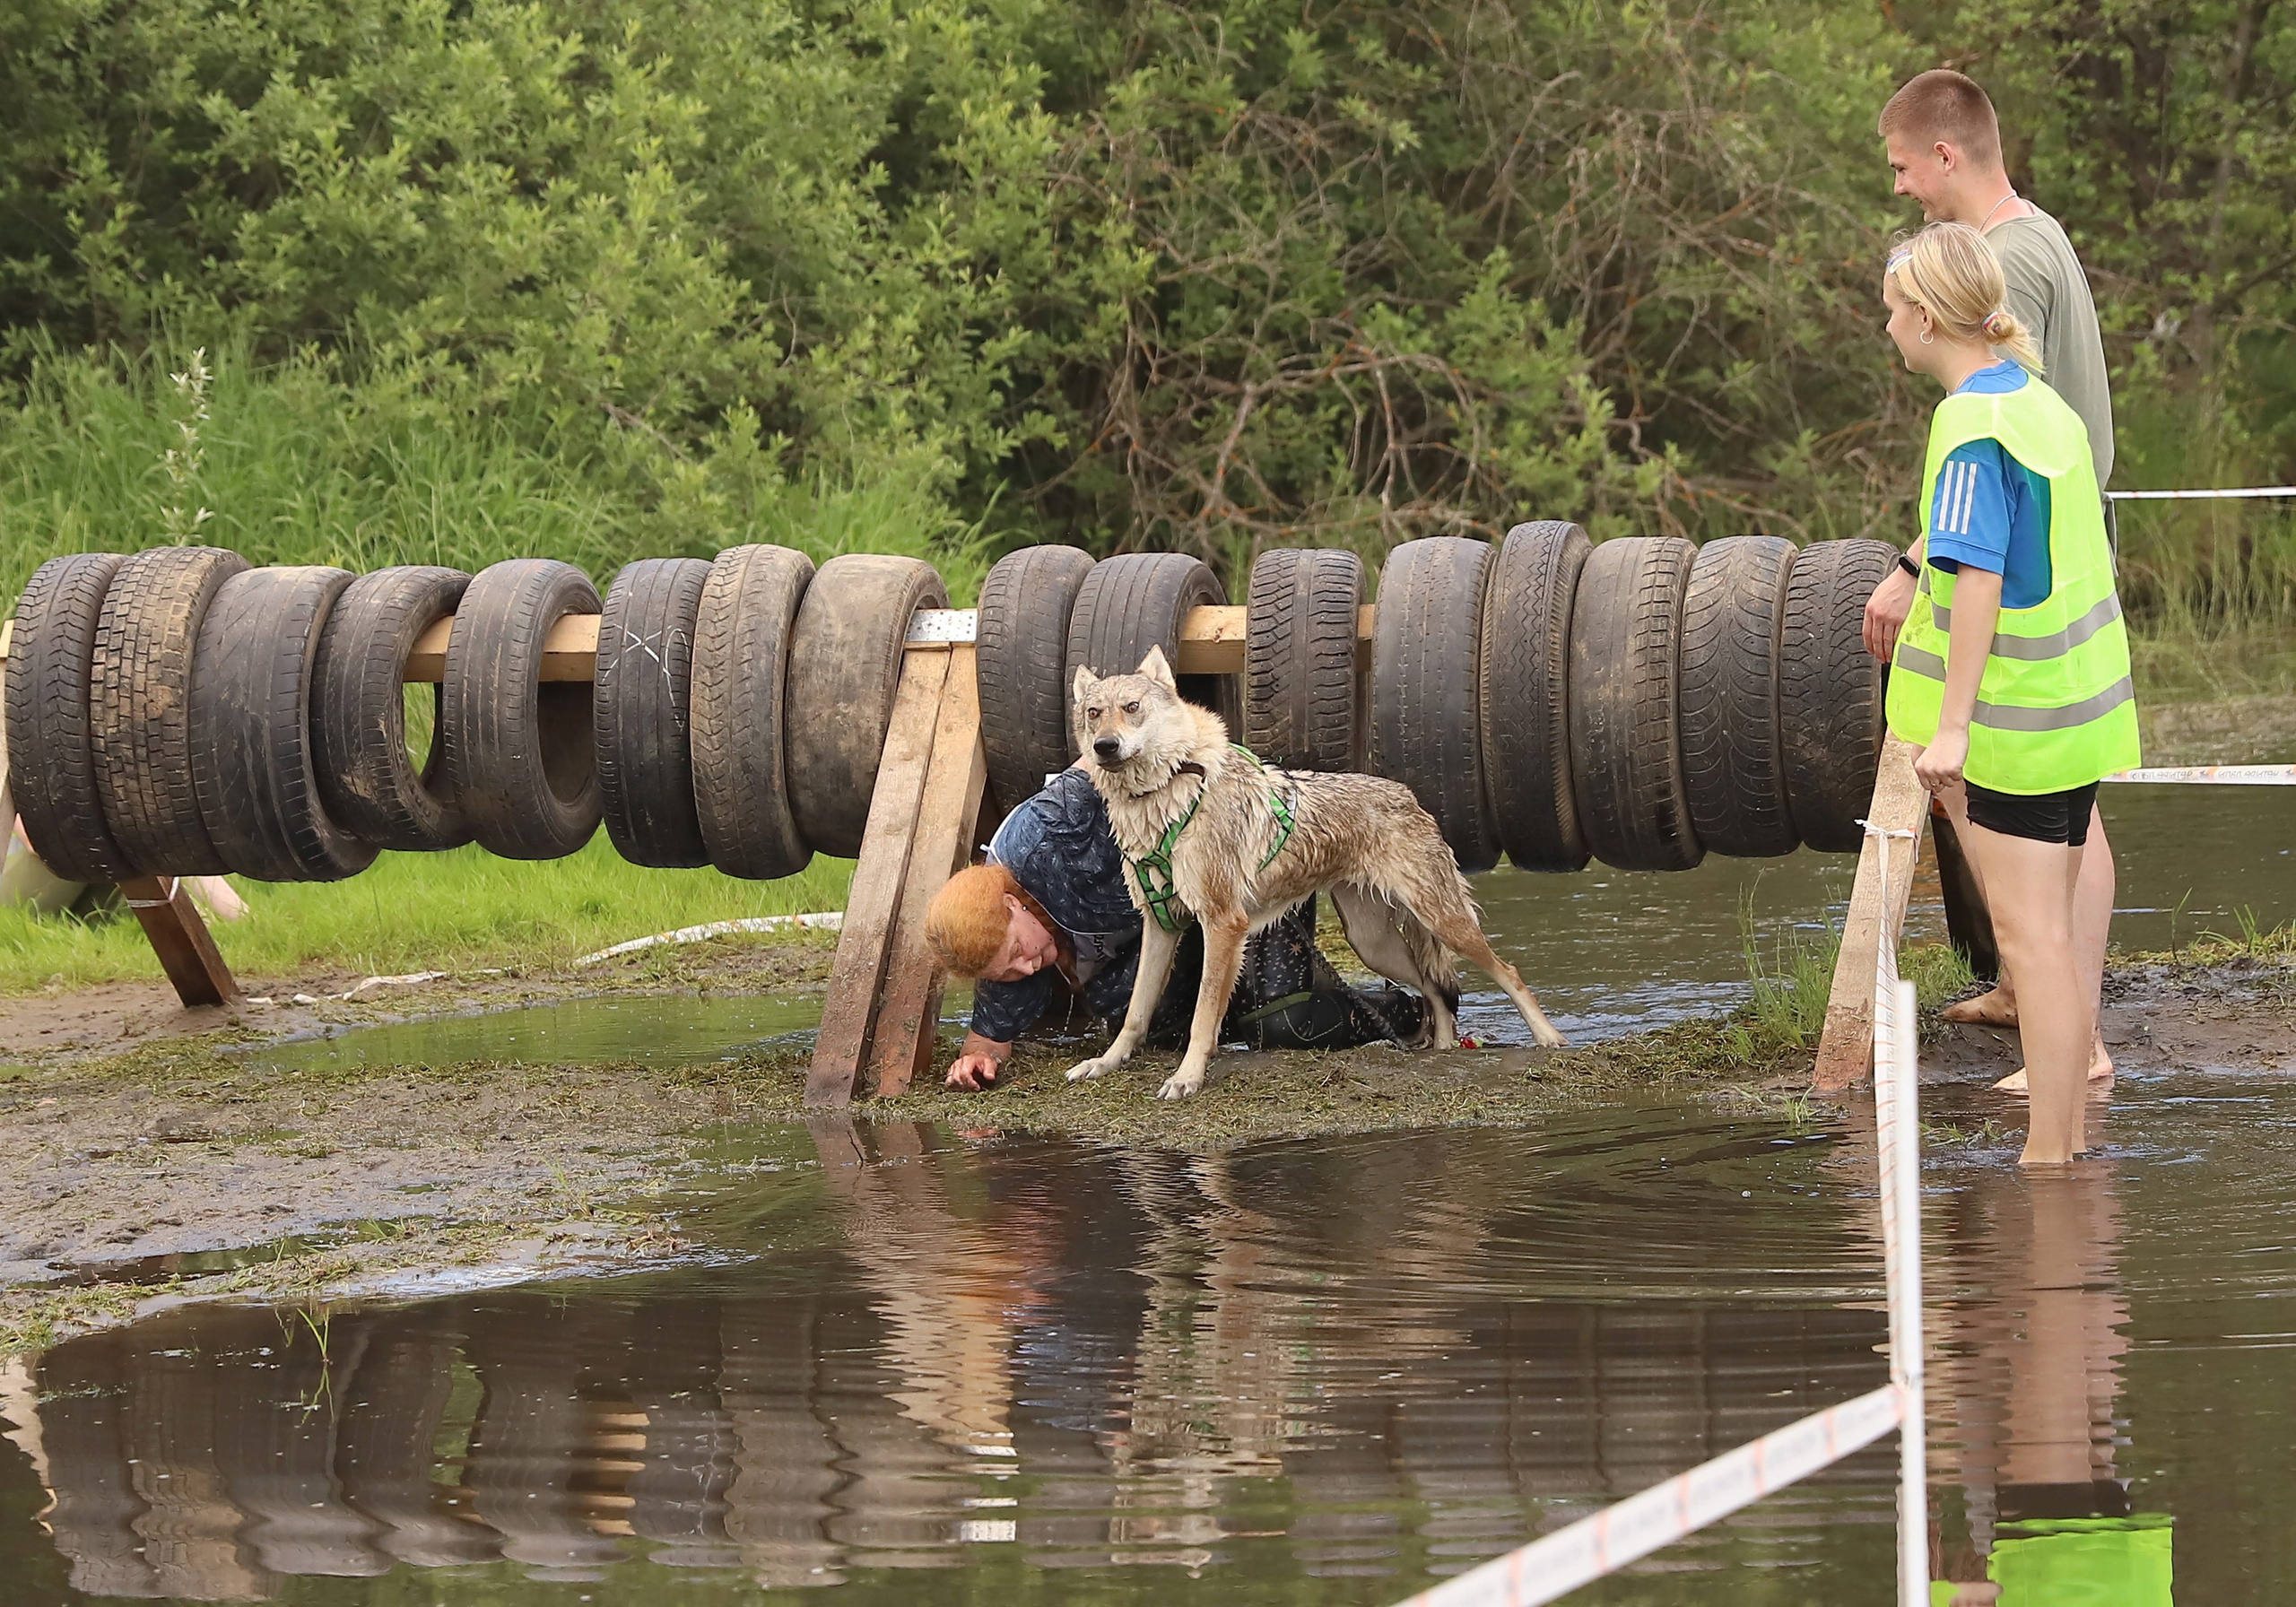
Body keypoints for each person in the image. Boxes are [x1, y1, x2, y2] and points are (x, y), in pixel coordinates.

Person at [1865, 69, 2121, 1090]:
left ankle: (2075, 1035)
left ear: (1944, 154)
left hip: (2032, 578)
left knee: (2066, 815)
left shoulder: (2005, 259)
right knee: (2070, 808)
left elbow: (2006, 446)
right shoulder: (2041, 230)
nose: (1900, 192)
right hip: (2068, 566)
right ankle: (2035, 995)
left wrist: (1910, 562)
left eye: (1900, 170)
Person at [926, 766, 1422, 1091]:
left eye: (1018, 951)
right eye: (1008, 971)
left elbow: (1098, 761)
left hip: (1243, 876)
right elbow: (989, 1033)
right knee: (1168, 1036)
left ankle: (1412, 1013)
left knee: (1284, 1027)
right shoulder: (999, 949)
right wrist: (975, 1062)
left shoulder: (1047, 832)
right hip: (1182, 945)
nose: (1026, 965)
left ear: (1012, 903)